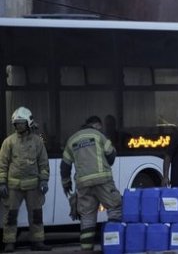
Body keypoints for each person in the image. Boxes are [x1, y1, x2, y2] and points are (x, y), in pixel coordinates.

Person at [61, 115, 123, 251]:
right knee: (115, 208)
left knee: (87, 217)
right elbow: (111, 157)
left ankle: (86, 249)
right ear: (96, 125)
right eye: (100, 127)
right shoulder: (99, 135)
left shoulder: (72, 139)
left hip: (83, 184)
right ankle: (113, 246)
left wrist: (66, 183)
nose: (101, 129)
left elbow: (65, 165)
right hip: (103, 181)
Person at [0, 107, 50, 252]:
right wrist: (2, 183)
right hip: (13, 186)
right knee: (11, 215)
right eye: (16, 123)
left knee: (36, 215)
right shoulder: (8, 142)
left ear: (28, 123)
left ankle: (38, 242)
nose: (18, 126)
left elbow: (43, 162)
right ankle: (9, 243)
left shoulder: (37, 141)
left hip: (33, 185)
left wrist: (44, 180)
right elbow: (2, 164)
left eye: (21, 123)